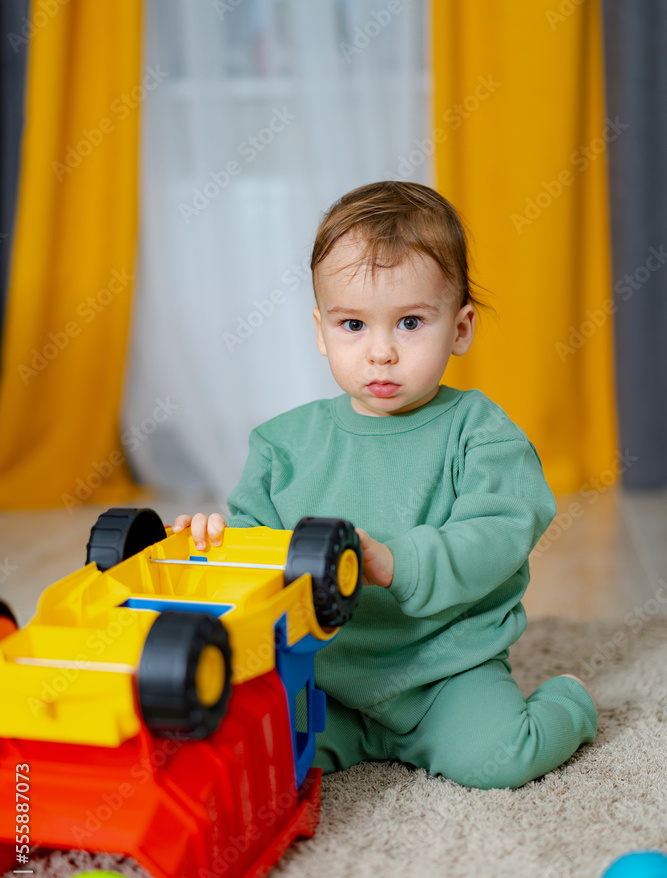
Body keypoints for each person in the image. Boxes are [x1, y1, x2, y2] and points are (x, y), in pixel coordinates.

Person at [171, 180, 597, 790]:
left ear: (461, 328)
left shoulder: (481, 431)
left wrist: (395, 560)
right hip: (324, 676)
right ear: (320, 331)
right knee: (250, 755)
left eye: (410, 322)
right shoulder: (282, 446)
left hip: (443, 670)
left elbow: (500, 532)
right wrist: (213, 546)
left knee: (499, 758)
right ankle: (349, 735)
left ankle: (569, 703)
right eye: (353, 324)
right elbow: (254, 557)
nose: (380, 352)